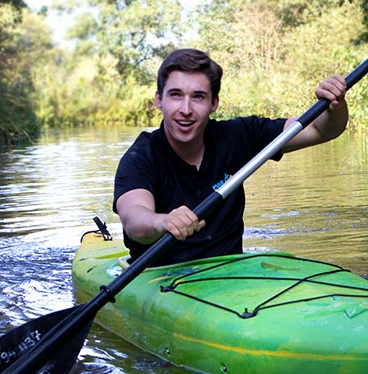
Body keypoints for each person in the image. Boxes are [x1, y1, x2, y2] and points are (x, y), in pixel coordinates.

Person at [113, 48, 348, 265]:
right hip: (159, 277)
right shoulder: (140, 157)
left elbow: (321, 130)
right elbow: (134, 220)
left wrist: (334, 105)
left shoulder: (238, 136)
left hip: (230, 275)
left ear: (214, 103)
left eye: (198, 97)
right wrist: (162, 222)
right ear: (159, 100)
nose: (185, 109)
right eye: (175, 95)